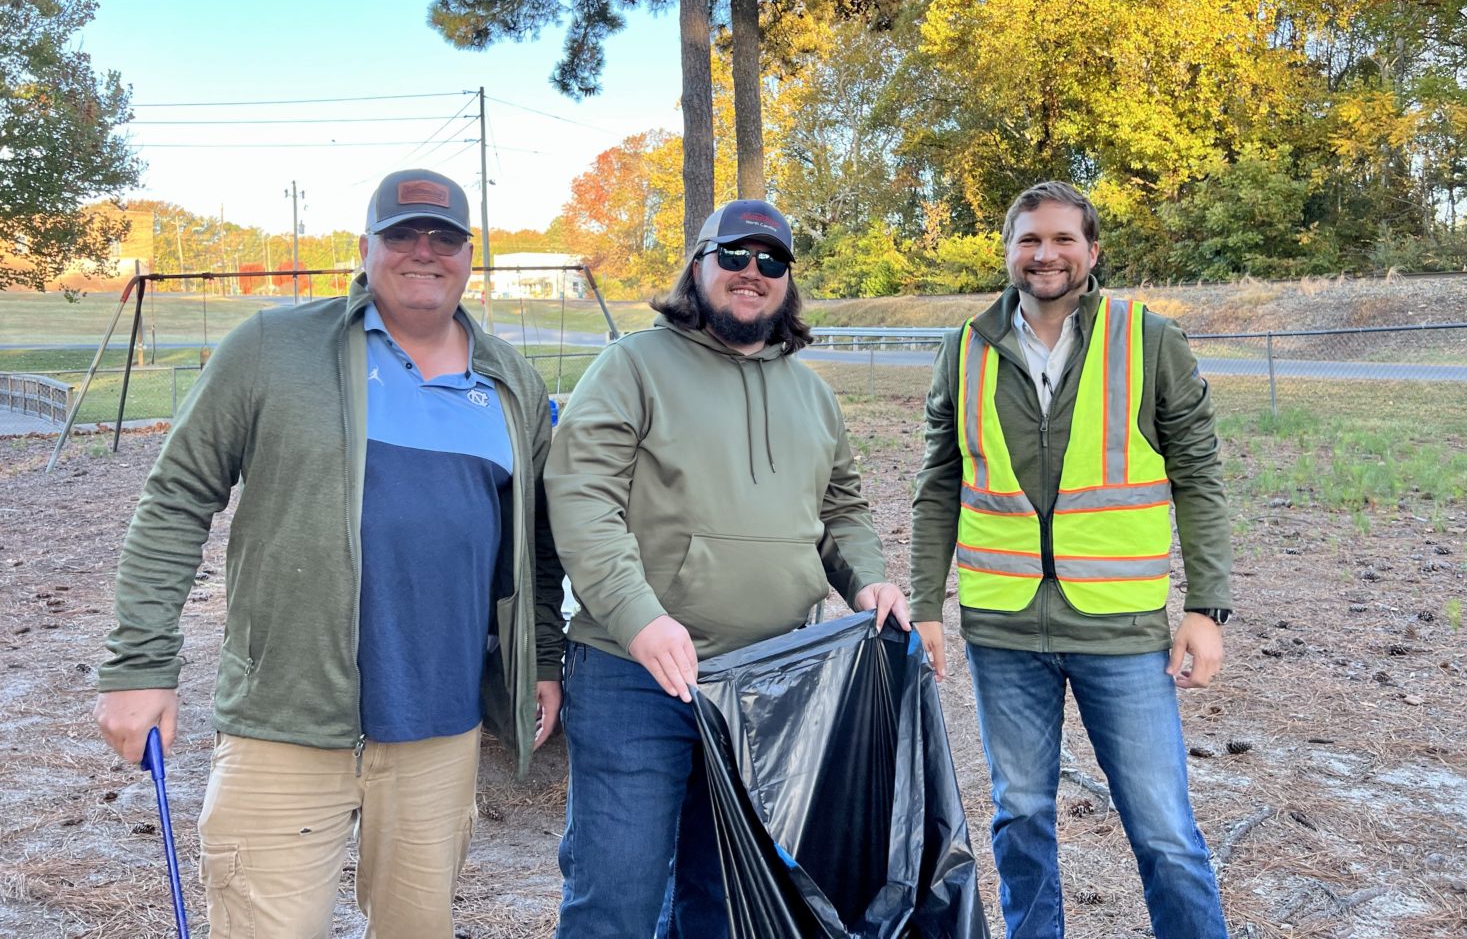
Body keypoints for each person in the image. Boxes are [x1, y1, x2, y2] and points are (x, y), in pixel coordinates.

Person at [94, 169, 565, 939]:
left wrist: (540, 656)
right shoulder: (272, 350)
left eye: (444, 237)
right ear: (364, 247)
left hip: (440, 730)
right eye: (402, 234)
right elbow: (176, 498)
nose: (424, 251)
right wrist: (139, 664)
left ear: (468, 255)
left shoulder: (512, 382)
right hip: (285, 720)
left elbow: (536, 545)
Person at [545, 199, 910, 938]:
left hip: (766, 685)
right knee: (617, 900)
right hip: (635, 676)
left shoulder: (812, 394)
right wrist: (639, 618)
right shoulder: (631, 368)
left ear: (787, 281)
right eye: (734, 255)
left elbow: (841, 507)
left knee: (725, 901)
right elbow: (583, 500)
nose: (752, 272)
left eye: (771, 260)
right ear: (698, 266)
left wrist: (866, 579)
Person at [910, 180, 1233, 939]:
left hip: (1121, 629)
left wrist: (1205, 608)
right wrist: (925, 605)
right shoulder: (964, 348)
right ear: (1007, 250)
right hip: (1003, 630)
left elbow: (1199, 476)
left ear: (1091, 250)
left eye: (1062, 239)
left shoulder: (1149, 339)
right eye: (1029, 239)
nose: (1045, 254)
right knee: (1020, 817)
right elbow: (938, 485)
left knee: (1163, 828)